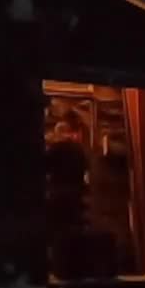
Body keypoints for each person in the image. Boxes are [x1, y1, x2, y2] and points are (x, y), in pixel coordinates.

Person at [44, 118, 90, 277]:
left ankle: (60, 266)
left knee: (58, 230)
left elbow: (44, 167)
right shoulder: (78, 150)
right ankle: (76, 266)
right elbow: (86, 167)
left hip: (58, 194)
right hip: (75, 194)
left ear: (58, 133)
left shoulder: (55, 149)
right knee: (74, 228)